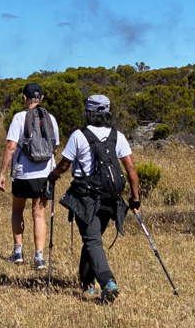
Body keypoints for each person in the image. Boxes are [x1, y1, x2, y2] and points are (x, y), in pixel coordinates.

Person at [48, 94, 140, 304]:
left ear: (88, 113)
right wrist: (135, 199)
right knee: (93, 239)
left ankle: (108, 283)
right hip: (110, 197)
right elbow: (131, 169)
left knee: (92, 240)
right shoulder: (118, 136)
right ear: (107, 112)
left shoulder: (79, 135)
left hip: (85, 196)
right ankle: (87, 283)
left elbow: (64, 165)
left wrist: (52, 176)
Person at [0, 83, 60, 270]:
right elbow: (54, 148)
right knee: (39, 214)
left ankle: (18, 252)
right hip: (45, 173)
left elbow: (11, 146)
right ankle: (39, 258)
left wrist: (2, 172)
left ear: (24, 98)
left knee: (17, 210)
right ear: (42, 98)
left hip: (23, 173)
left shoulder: (19, 117)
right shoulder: (51, 119)